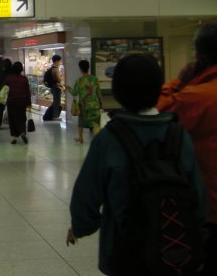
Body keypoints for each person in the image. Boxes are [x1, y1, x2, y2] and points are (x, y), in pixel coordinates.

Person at [66, 54, 206, 276]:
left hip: (124, 249)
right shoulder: (178, 136)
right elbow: (197, 193)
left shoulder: (109, 139)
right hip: (174, 245)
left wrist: (81, 226)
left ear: (118, 91)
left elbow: (87, 192)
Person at [157, 22, 217, 274]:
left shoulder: (198, 97)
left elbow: (154, 112)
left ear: (200, 56)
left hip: (210, 208)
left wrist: (178, 81)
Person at [66, 60, 103, 143]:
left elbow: (74, 93)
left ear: (80, 68)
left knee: (81, 122)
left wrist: (67, 88)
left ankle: (80, 137)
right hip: (94, 104)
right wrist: (101, 103)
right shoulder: (94, 79)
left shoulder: (79, 81)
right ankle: (98, 139)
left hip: (84, 106)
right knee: (96, 123)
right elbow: (98, 93)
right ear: (88, 67)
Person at [3, 62, 31, 144]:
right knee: (22, 117)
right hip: (22, 101)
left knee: (12, 119)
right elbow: (27, 91)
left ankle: (14, 137)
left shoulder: (8, 78)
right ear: (21, 69)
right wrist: (29, 102)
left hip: (11, 101)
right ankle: (22, 132)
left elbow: (4, 89)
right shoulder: (24, 79)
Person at [48, 54, 64, 119]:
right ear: (57, 61)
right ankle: (55, 116)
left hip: (52, 87)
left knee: (55, 101)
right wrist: (62, 76)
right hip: (56, 88)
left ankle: (54, 115)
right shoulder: (56, 69)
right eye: (60, 61)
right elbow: (59, 79)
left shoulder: (51, 68)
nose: (60, 62)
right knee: (57, 102)